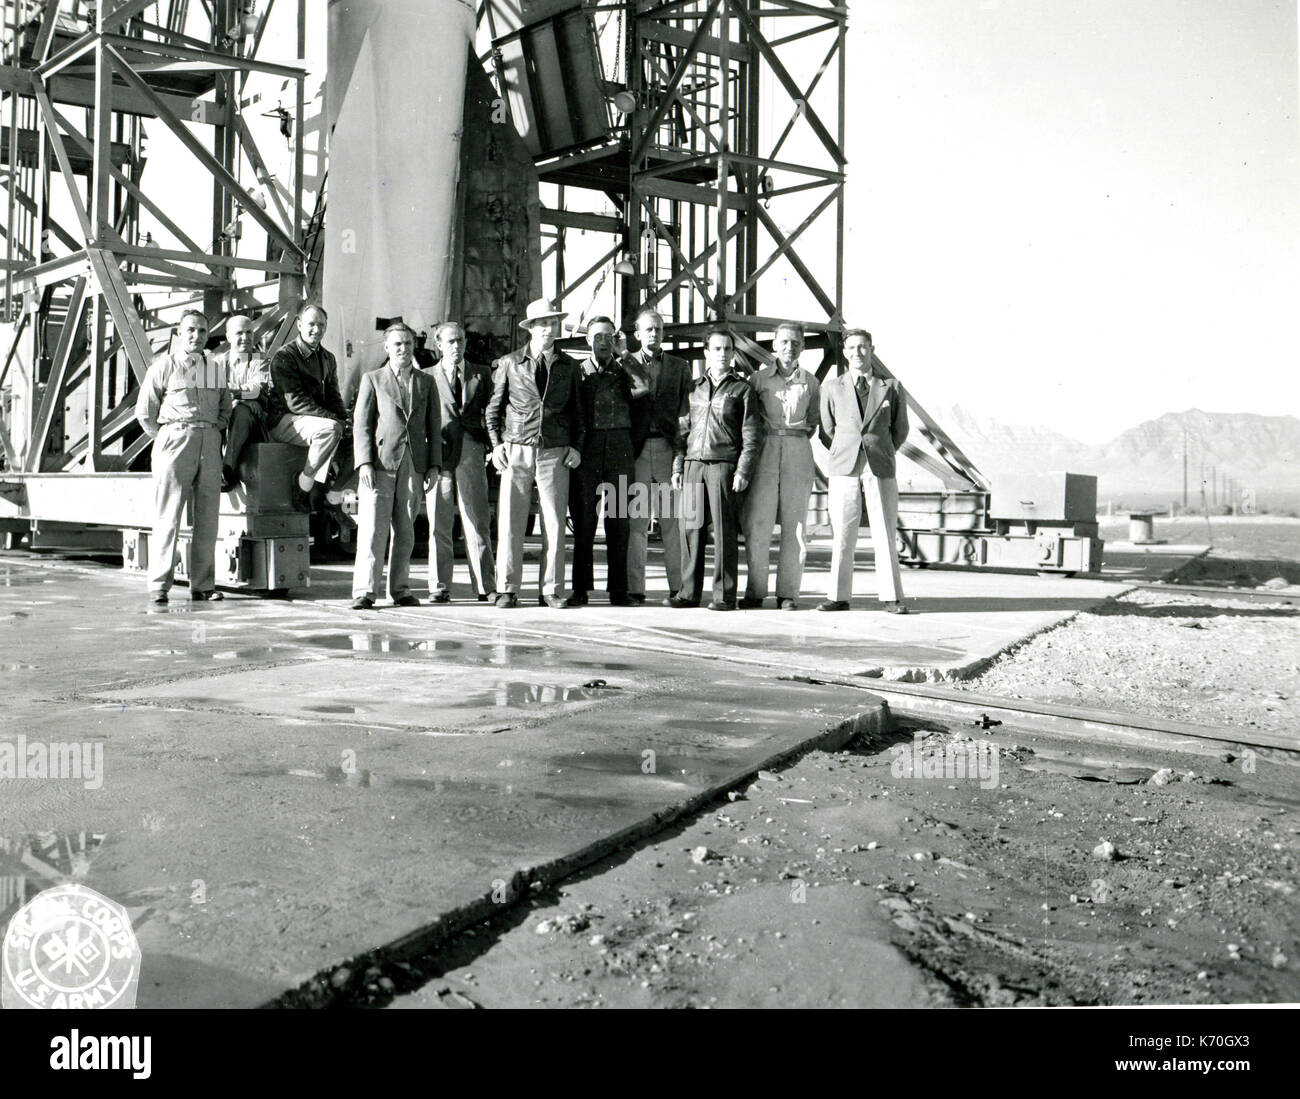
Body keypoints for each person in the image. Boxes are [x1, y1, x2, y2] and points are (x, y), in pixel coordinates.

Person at [486, 298, 585, 608]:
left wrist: (576, 447)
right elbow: (493, 409)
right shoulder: (510, 363)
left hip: (554, 451)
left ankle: (551, 590)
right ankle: (508, 588)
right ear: (530, 328)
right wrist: (496, 446)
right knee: (511, 521)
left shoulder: (569, 366)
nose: (548, 328)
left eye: (552, 322)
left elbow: (578, 412)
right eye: (542, 323)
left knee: (554, 523)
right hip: (516, 448)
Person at [135, 310, 232, 604]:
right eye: (190, 330)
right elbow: (145, 413)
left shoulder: (214, 368)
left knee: (208, 517)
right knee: (168, 514)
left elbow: (225, 409)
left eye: (202, 331)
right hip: (175, 441)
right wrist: (169, 439)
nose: (197, 336)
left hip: (209, 444)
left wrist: (210, 434)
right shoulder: (164, 366)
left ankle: (202, 585)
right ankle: (159, 586)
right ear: (179, 333)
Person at [666, 327, 763, 611]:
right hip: (694, 465)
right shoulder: (694, 390)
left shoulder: (742, 389)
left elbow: (752, 436)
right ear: (707, 352)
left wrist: (743, 471)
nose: (723, 354)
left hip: (724, 467)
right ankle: (688, 593)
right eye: (717, 349)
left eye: (728, 349)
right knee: (690, 530)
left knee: (724, 532)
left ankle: (724, 595)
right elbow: (681, 433)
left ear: (734, 354)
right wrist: (678, 467)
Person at [818, 328, 910, 613]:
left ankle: (892, 598)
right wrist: (846, 448)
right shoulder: (832, 388)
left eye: (863, 347)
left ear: (872, 350)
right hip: (844, 466)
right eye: (852, 348)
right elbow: (826, 429)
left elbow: (900, 430)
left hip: (879, 465)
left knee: (884, 530)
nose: (857, 353)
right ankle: (838, 596)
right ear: (844, 352)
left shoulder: (891, 387)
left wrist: (879, 448)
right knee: (843, 532)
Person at [350, 323, 441, 609]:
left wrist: (434, 465)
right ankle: (365, 591)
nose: (403, 349)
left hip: (413, 465)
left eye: (408, 344)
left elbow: (434, 426)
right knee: (372, 530)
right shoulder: (373, 379)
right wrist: (364, 462)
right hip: (379, 464)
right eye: (398, 344)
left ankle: (400, 589)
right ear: (387, 348)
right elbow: (361, 425)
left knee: (406, 531)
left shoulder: (426, 382)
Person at [741, 322, 821, 610]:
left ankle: (788, 593)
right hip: (765, 451)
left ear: (802, 347)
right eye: (785, 342)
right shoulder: (758, 380)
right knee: (758, 523)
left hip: (798, 450)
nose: (790, 347)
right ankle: (755, 590)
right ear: (774, 345)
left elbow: (813, 421)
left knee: (796, 525)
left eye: (796, 343)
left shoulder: (811, 383)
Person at [624, 307, 691, 604]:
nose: (654, 334)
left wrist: (679, 458)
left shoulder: (679, 367)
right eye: (648, 329)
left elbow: (684, 415)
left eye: (659, 330)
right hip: (637, 452)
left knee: (672, 523)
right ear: (637, 334)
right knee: (636, 523)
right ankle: (635, 589)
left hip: (667, 450)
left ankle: (678, 587)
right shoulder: (624, 365)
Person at [427, 321, 496, 603]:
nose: (457, 346)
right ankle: (439, 586)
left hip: (471, 450)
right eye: (451, 341)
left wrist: (491, 447)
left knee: (477, 519)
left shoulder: (481, 374)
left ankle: (485, 586)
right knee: (438, 522)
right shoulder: (426, 376)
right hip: (440, 453)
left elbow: (493, 411)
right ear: (439, 344)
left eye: (461, 340)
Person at [570, 316, 636, 606]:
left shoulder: (625, 371)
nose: (604, 341)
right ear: (588, 340)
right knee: (584, 523)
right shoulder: (578, 371)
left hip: (620, 449)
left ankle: (619, 591)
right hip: (588, 449)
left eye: (609, 336)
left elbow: (645, 387)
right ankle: (580, 589)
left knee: (620, 521)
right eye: (598, 336)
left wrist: (625, 353)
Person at [265, 303, 346, 512]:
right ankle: (303, 486)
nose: (316, 330)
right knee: (330, 429)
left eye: (321, 325)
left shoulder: (328, 358)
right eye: (311, 324)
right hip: (285, 420)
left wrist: (344, 419)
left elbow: (334, 395)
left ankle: (333, 495)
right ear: (299, 325)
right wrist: (334, 420)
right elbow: (296, 402)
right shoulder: (285, 356)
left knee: (359, 436)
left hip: (315, 420)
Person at [219, 314, 272, 492]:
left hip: (256, 423)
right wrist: (245, 398)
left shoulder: (260, 360)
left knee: (240, 410)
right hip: (225, 417)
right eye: (239, 333)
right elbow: (210, 394)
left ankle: (228, 467)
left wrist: (237, 397)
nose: (246, 338)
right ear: (228, 337)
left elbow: (256, 389)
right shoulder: (217, 363)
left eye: (249, 332)